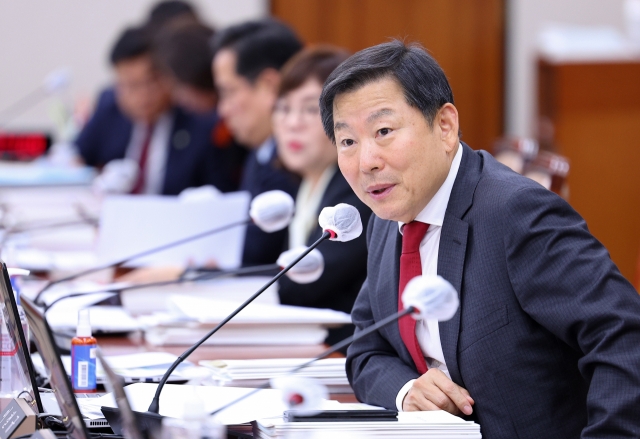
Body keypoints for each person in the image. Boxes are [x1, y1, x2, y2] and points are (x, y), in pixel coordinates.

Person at [318, 40, 640, 438]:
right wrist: (407, 390)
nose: (366, 161)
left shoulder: (516, 213)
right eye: (348, 141)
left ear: (445, 127)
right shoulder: (389, 216)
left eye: (384, 131)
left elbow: (624, 335)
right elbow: (366, 348)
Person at [273, 46, 372, 345]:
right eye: (283, 108)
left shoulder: (355, 191)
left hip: (344, 355)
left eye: (308, 109)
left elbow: (302, 285)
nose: (292, 123)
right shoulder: (305, 187)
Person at [75, 26, 237, 195]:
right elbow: (77, 157)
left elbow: (220, 192)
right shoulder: (109, 109)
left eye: (150, 81)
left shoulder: (199, 121)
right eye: (131, 85)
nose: (142, 95)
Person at [211, 19, 302, 266]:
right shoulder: (259, 151)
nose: (222, 109)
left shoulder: (294, 158)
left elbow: (253, 256)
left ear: (268, 86)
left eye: (228, 92)